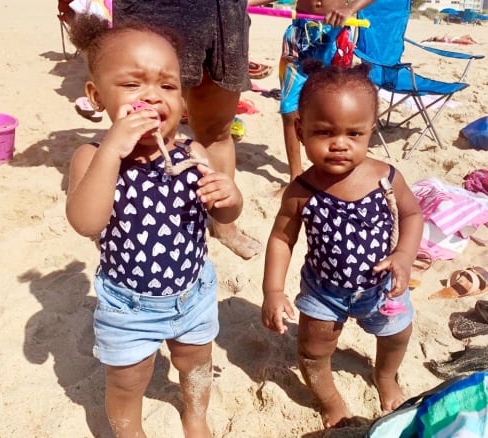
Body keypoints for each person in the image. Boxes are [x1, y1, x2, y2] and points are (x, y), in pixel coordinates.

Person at [66, 15, 244, 437]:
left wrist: (230, 197)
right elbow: (86, 221)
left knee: (196, 363)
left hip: (194, 293)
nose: (153, 98)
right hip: (128, 308)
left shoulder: (193, 152)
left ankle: (195, 415)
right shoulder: (92, 158)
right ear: (96, 96)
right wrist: (113, 148)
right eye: (132, 85)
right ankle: (130, 430)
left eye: (167, 86)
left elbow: (224, 217)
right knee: (127, 380)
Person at [261, 61, 424, 428]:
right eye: (324, 132)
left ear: (371, 131)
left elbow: (413, 216)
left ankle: (384, 376)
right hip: (324, 292)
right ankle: (331, 401)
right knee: (313, 352)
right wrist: (273, 290)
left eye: (354, 134)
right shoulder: (302, 190)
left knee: (397, 337)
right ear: (301, 131)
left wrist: (403, 256)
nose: (340, 144)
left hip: (383, 289)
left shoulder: (385, 178)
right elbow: (281, 238)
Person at [113, 0, 261, 260]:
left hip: (223, 12)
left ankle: (222, 225)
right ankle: (130, 221)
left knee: (217, 130)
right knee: (143, 128)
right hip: (152, 10)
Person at [249, 0, 374, 183]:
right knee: (289, 110)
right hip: (300, 33)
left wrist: (349, 8)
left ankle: (332, 173)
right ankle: (296, 177)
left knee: (334, 107)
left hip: (335, 32)